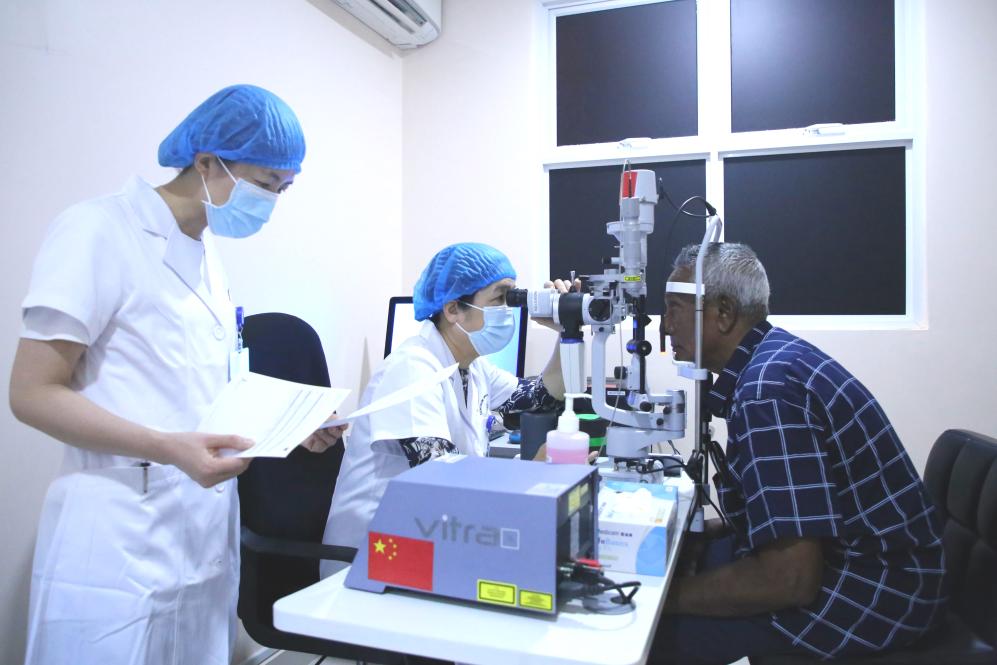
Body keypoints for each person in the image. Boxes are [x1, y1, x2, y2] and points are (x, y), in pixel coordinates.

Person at [9, 84, 343, 665]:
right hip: (119, 539)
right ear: (207, 162)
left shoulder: (205, 254)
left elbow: (199, 391)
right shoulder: (98, 230)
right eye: (265, 183)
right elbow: (32, 393)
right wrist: (167, 447)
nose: (271, 201)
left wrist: (293, 427)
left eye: (283, 189)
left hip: (202, 539)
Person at [651, 243, 947, 664]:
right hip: (867, 567)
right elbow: (799, 511)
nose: (665, 326)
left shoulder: (766, 393)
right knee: (687, 564)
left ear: (723, 313)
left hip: (876, 594)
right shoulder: (775, 358)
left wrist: (663, 599)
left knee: (649, 635)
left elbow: (789, 580)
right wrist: (708, 530)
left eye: (674, 309)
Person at [322, 243, 572, 568]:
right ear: (453, 309)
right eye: (499, 298)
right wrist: (530, 474)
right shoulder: (411, 368)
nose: (509, 310)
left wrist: (568, 330)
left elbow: (542, 397)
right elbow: (443, 484)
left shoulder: (472, 366)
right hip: (370, 558)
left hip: (430, 540)